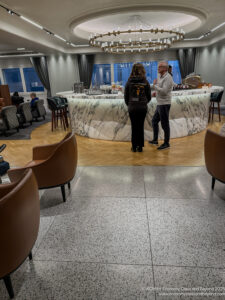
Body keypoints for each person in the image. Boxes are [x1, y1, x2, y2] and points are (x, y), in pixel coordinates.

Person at [124, 63, 151, 152]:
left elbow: (126, 97)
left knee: (134, 126)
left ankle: (134, 146)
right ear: (142, 70)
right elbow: (149, 97)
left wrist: (131, 104)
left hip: (132, 107)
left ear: (132, 70)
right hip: (142, 107)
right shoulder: (145, 82)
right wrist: (143, 102)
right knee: (140, 126)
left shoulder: (129, 82)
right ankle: (140, 147)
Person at [149, 61, 173, 150]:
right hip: (160, 103)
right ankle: (155, 140)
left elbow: (165, 91)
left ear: (165, 68)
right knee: (154, 121)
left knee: (165, 124)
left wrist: (155, 86)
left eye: (160, 67)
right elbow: (160, 89)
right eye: (158, 67)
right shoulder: (160, 76)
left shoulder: (168, 77)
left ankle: (166, 143)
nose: (158, 68)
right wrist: (156, 92)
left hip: (164, 104)